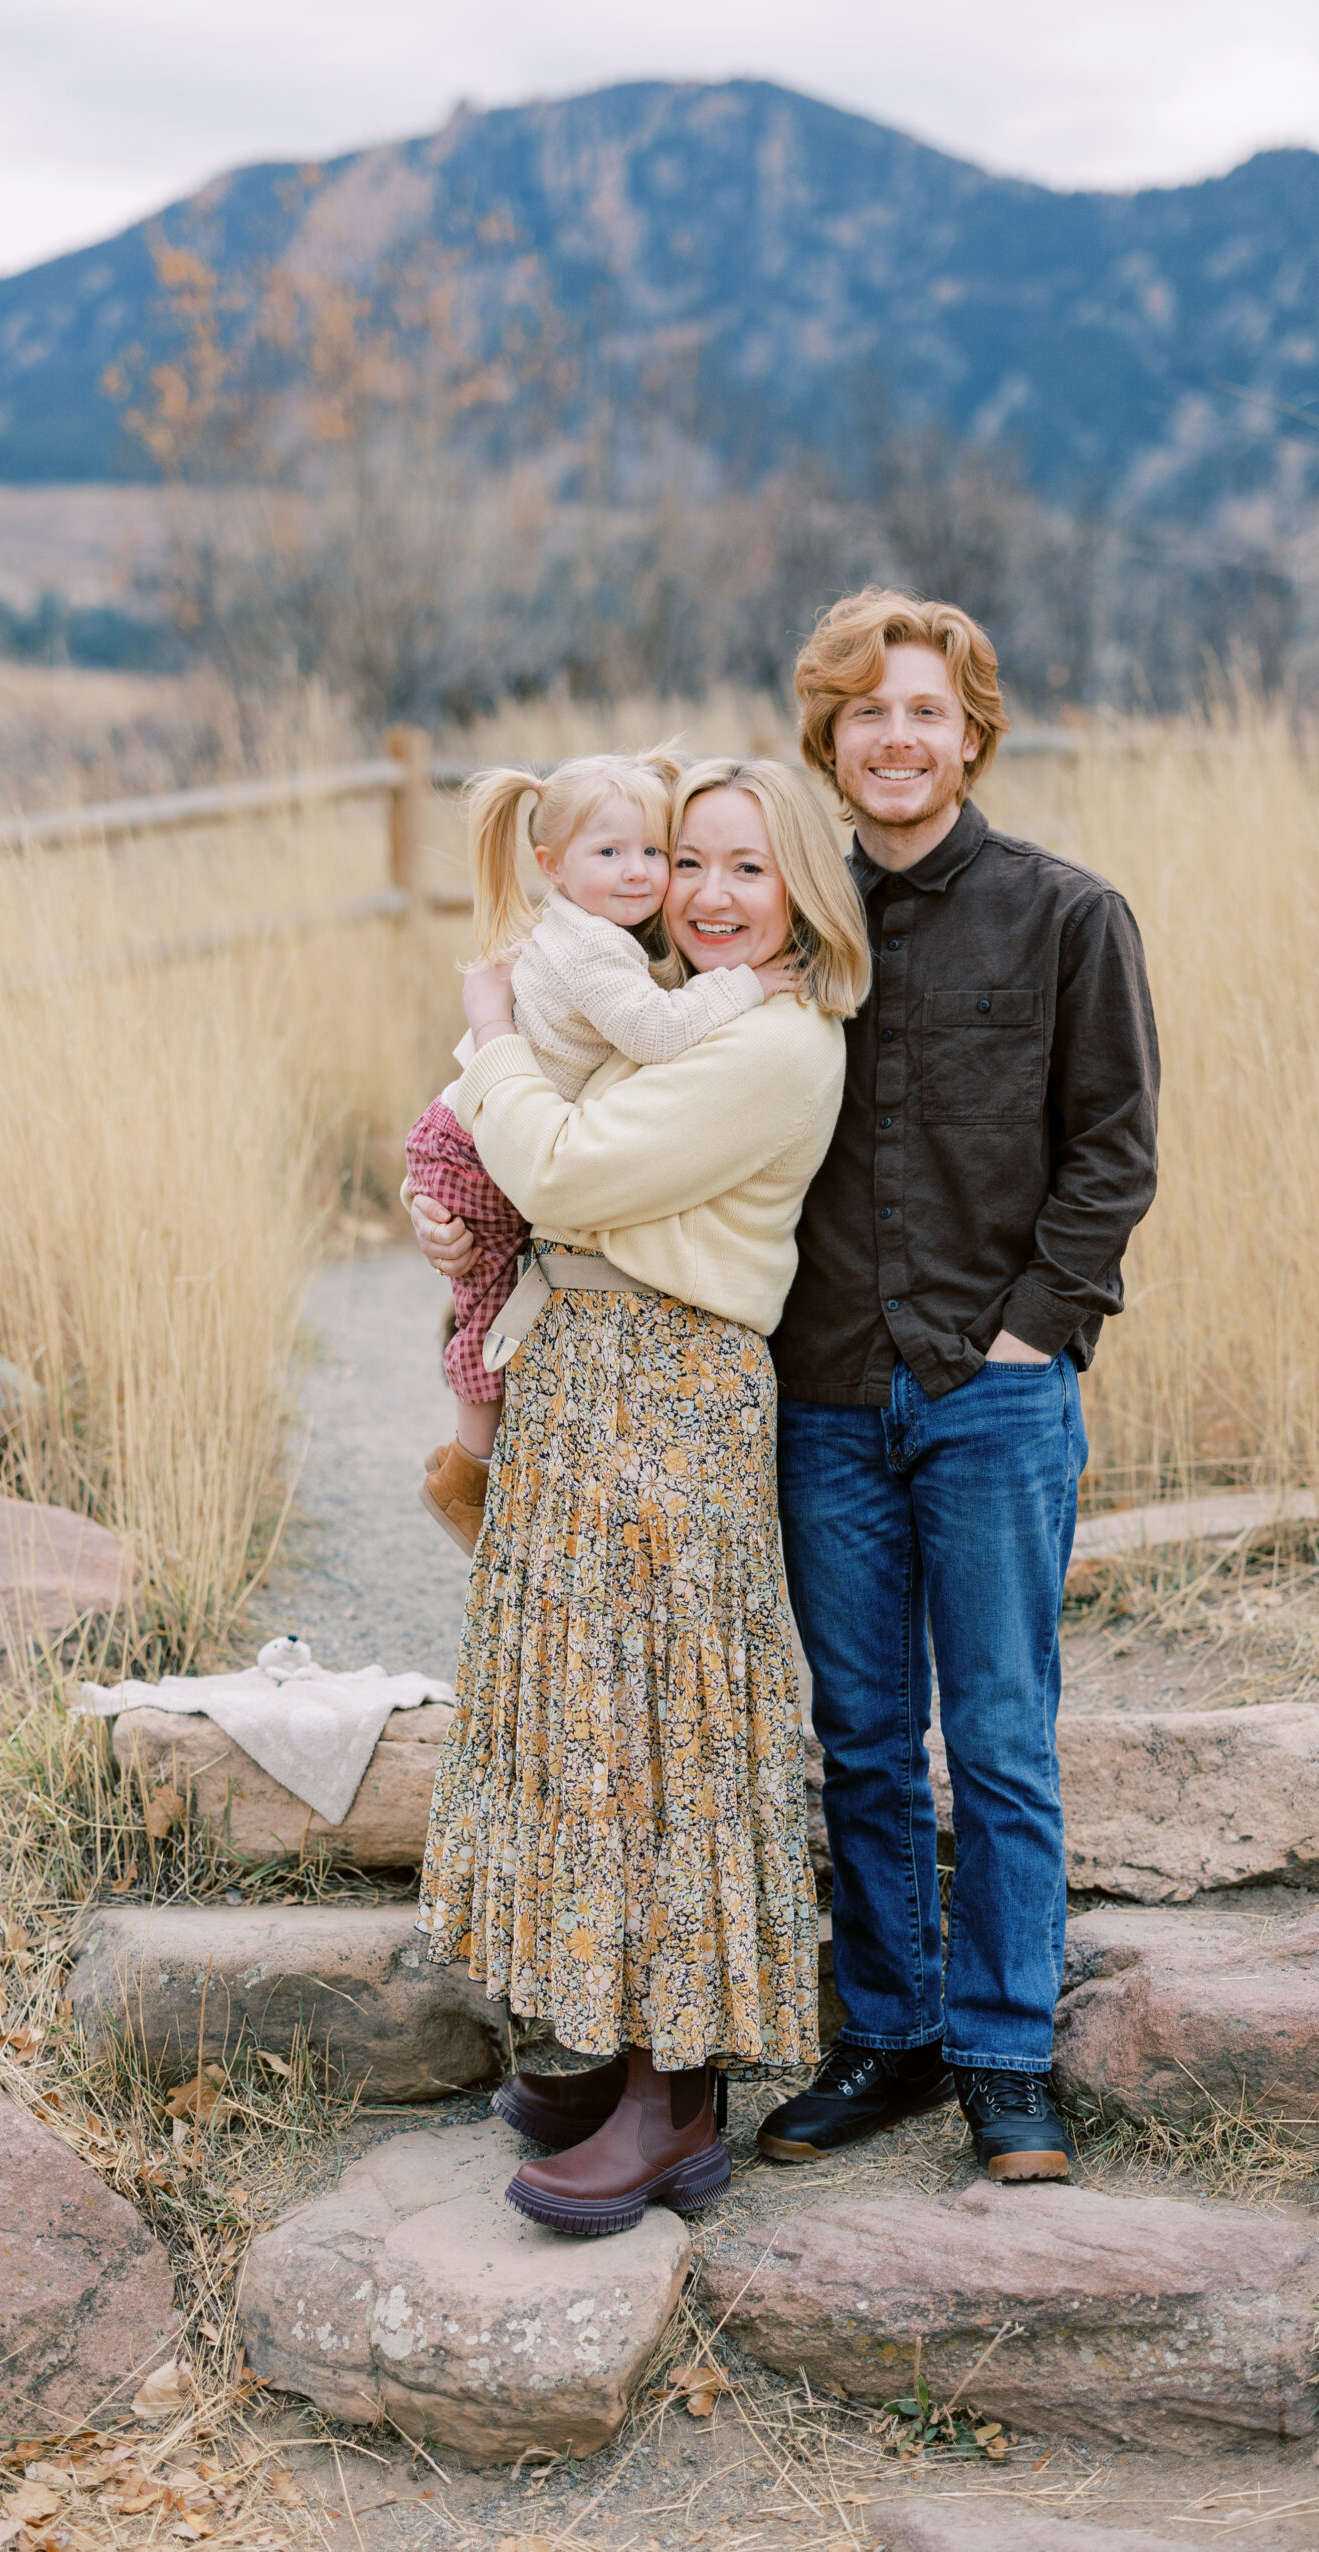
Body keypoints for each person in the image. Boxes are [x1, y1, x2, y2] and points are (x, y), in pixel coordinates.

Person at [409, 757, 870, 2237]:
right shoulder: (659, 1005)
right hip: (579, 1373)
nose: (712, 896)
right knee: (579, 1712)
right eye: (692, 864)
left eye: (749, 868)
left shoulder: (780, 1046)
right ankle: (601, 2039)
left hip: (669, 1390)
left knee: (663, 1722)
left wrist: (486, 1052)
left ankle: (675, 2100)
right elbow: (529, 1187)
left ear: (801, 886)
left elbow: (555, 1167)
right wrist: (450, 1214)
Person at [756, 589, 1160, 2183]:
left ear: (969, 732)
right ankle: (890, 2041)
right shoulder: (791, 927)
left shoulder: (1070, 917)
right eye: (866, 715)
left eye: (923, 710)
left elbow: (1111, 1149)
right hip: (825, 1394)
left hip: (994, 1394)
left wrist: (1032, 1330)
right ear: (830, 743)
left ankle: (1005, 2059)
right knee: (859, 1733)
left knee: (997, 1736)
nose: (896, 738)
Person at [406, 747, 797, 1553]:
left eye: (656, 852)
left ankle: (482, 1459)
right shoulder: (592, 946)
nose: (641, 873)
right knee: (488, 1306)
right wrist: (750, 984)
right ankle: (467, 1474)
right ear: (550, 865)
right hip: (474, 1144)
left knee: (497, 1287)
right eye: (611, 853)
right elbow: (656, 1030)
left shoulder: (595, 929)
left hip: (474, 1126)